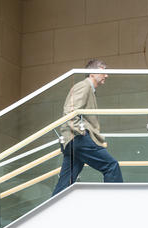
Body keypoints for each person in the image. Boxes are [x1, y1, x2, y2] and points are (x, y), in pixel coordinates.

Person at [51, 59, 122, 195]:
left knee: (65, 182)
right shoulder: (84, 86)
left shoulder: (89, 89)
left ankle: (50, 212)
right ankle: (115, 202)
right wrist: (81, 131)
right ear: (92, 73)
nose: (106, 75)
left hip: (72, 141)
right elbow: (70, 111)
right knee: (111, 166)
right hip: (78, 138)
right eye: (103, 72)